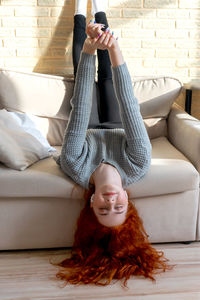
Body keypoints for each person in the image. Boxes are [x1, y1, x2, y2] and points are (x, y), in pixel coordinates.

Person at [55, 0, 171, 286]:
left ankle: (80, 13)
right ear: (126, 199)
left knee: (86, 72)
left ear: (91, 202)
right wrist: (114, 48)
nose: (110, 202)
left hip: (89, 129)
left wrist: (89, 49)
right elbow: (130, 106)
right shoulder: (139, 163)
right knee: (108, 79)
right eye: (117, 208)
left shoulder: (73, 163)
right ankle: (101, 11)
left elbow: (80, 106)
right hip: (121, 127)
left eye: (103, 209)